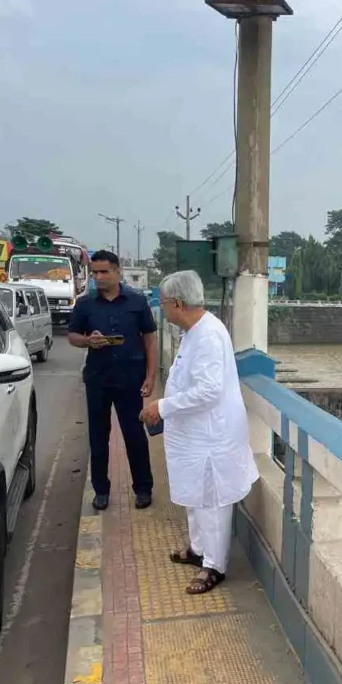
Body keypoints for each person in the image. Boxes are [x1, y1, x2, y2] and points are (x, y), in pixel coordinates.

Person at [140, 270, 258, 594]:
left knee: (211, 502)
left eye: (163, 304)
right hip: (195, 436)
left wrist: (161, 407)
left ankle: (214, 566)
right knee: (195, 496)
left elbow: (208, 391)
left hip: (211, 438)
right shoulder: (194, 331)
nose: (162, 310)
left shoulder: (207, 335)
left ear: (177, 303)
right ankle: (197, 549)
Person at [68, 250, 157, 511]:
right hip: (98, 379)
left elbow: (150, 340)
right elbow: (73, 335)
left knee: (134, 435)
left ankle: (143, 488)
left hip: (131, 380)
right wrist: (87, 341)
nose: (99, 277)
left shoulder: (137, 301)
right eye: (95, 272)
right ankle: (101, 491)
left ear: (118, 272)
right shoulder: (85, 304)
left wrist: (151, 377)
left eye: (104, 271)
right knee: (98, 436)